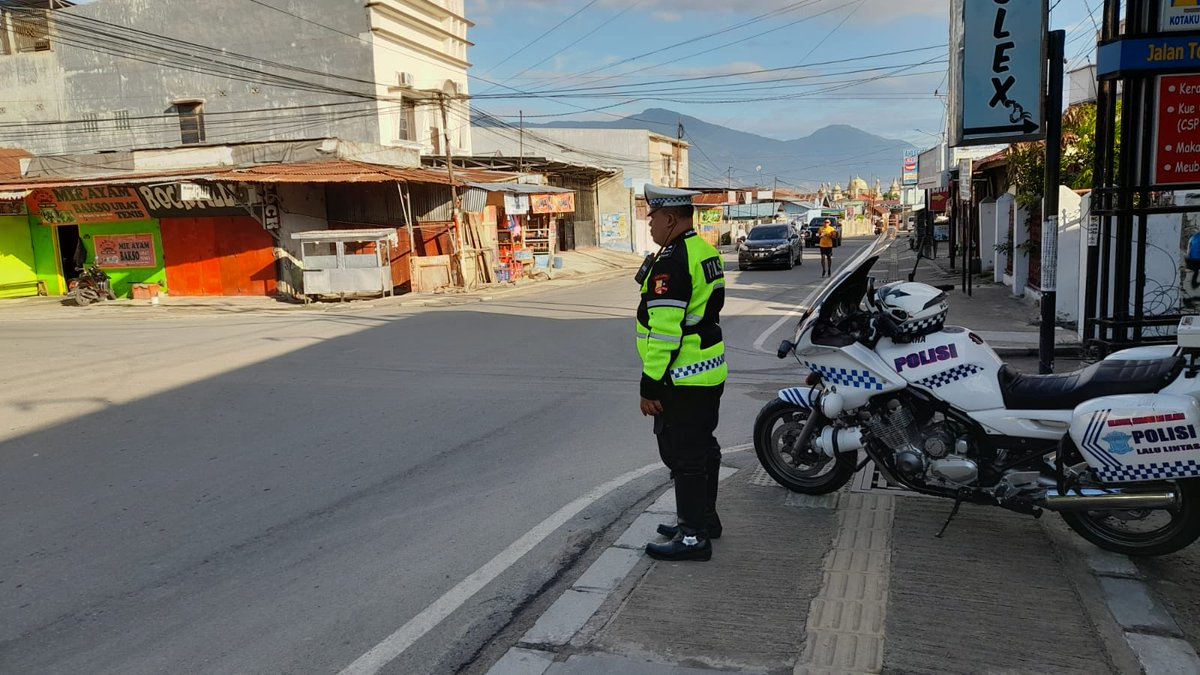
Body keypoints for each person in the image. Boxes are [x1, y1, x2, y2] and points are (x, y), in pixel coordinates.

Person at [636, 185, 727, 562]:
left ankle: (692, 537)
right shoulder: (705, 251)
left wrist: (650, 385)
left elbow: (664, 332)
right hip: (708, 370)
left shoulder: (673, 262)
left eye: (653, 217)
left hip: (681, 376)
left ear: (670, 218)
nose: (650, 224)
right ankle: (703, 519)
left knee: (684, 455)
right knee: (703, 447)